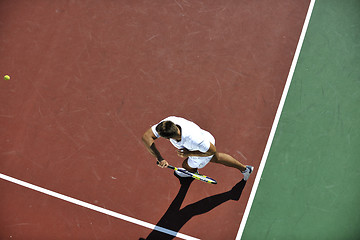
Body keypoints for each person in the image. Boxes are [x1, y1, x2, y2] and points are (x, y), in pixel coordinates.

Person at [142, 116, 254, 181]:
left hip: (203, 147)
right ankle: (246, 169)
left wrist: (189, 153)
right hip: (205, 137)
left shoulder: (192, 139)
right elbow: (146, 137)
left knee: (186, 165)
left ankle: (193, 172)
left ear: (168, 138)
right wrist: (159, 158)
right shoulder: (168, 122)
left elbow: (211, 150)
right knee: (217, 158)